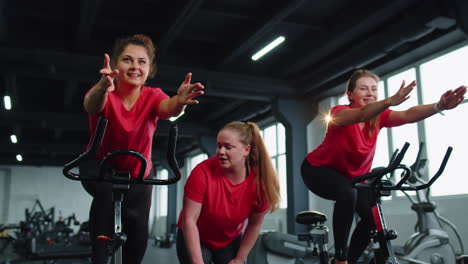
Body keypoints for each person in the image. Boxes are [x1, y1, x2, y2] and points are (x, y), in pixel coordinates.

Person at [301, 69, 466, 264]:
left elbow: (407, 114)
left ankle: (351, 261)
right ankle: (340, 259)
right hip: (318, 170)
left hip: (354, 178)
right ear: (350, 94)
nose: (370, 93)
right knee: (348, 193)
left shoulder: (379, 117)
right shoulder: (339, 112)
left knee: (372, 218)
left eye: (373, 89)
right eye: (363, 89)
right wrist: (388, 101)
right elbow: (361, 115)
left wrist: (439, 106)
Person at [80, 33, 204, 264]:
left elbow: (168, 109)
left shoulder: (152, 95)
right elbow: (91, 104)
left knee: (137, 225)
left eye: (142, 61)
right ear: (115, 64)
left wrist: (178, 101)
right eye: (127, 60)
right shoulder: (104, 91)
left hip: (138, 173)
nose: (135, 66)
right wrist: (102, 88)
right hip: (98, 167)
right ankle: (98, 254)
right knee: (106, 196)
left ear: (150, 68)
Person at [176, 121, 281, 264]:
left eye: (228, 147)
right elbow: (189, 219)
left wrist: (239, 259)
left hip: (228, 239)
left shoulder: (260, 183)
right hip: (195, 235)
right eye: (219, 146)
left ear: (246, 150)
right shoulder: (202, 172)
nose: (221, 152)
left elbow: (254, 224)